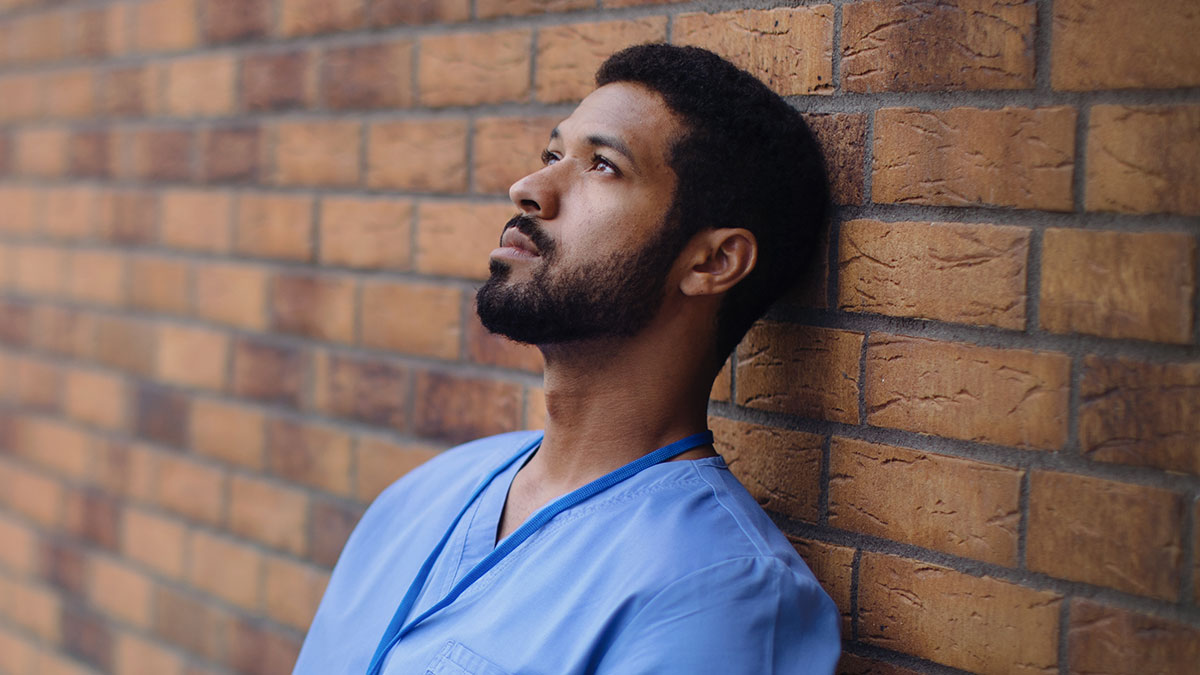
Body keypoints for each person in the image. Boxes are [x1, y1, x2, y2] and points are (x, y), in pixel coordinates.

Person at [294, 44, 839, 674]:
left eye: (602, 166)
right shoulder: (426, 493)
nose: (529, 189)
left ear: (712, 263)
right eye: (553, 155)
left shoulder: (723, 591)